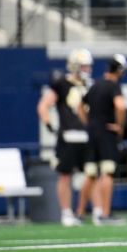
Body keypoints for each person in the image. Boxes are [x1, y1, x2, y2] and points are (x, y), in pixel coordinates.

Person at [37, 49, 96, 226]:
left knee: (93, 174)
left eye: (88, 66)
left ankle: (86, 210)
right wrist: (49, 124)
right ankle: (66, 212)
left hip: (88, 135)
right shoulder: (62, 84)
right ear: (75, 66)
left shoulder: (91, 85)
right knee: (65, 175)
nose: (87, 69)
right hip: (69, 135)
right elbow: (44, 105)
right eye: (84, 66)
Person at [84, 54, 127, 226]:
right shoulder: (112, 86)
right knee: (108, 171)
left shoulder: (95, 85)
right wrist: (119, 125)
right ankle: (105, 213)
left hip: (92, 132)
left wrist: (87, 122)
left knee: (91, 173)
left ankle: (84, 212)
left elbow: (80, 104)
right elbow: (120, 106)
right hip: (106, 132)